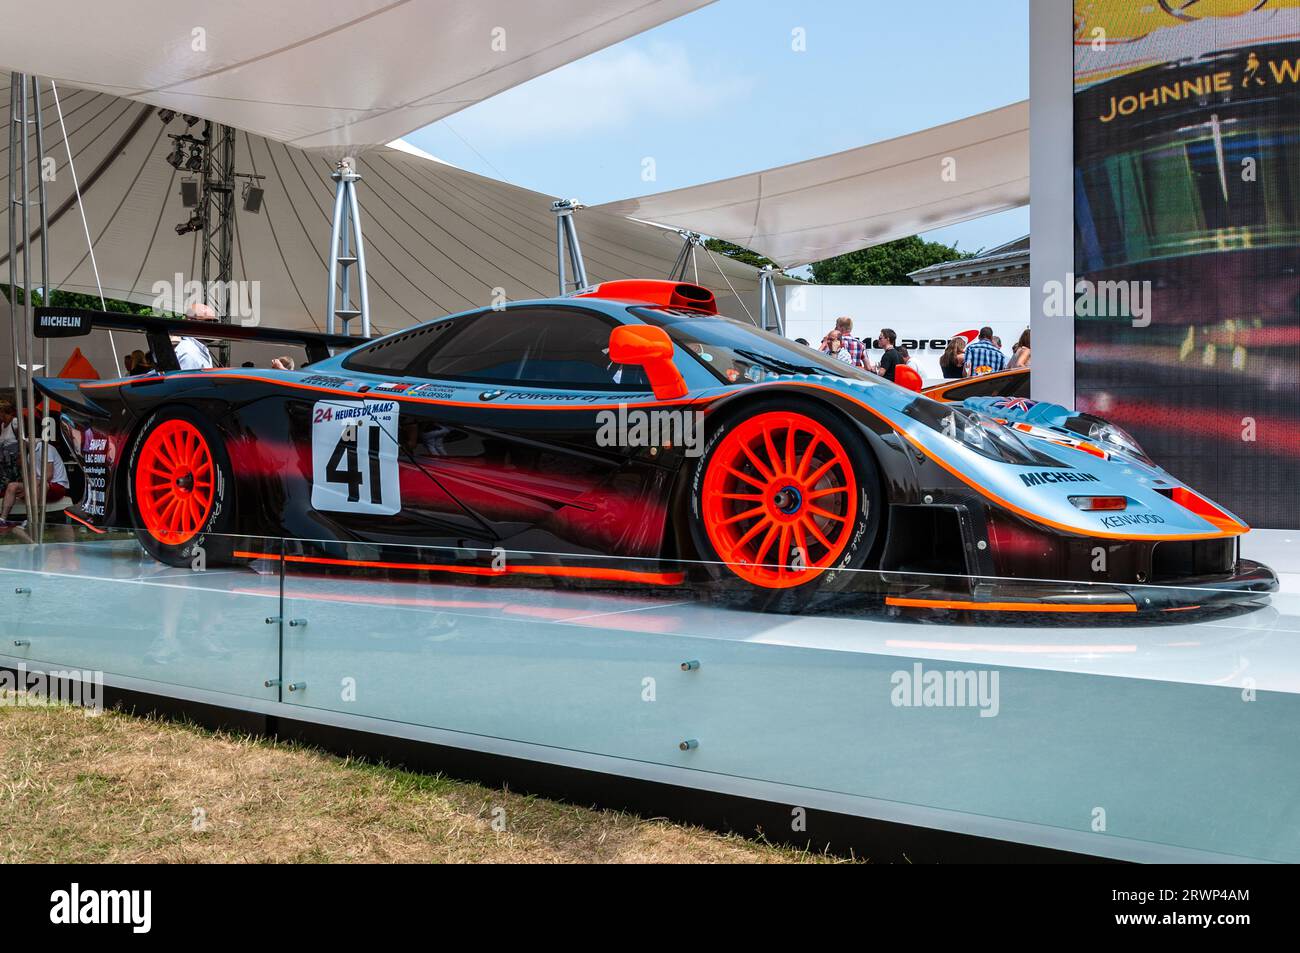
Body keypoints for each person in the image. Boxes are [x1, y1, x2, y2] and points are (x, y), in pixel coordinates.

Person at [0, 436, 69, 526]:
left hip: (57, 485)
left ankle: (32, 519)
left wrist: (28, 488)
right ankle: (2, 519)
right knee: (12, 486)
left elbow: (48, 475)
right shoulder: (29, 455)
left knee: (37, 483)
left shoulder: (46, 448)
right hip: (38, 485)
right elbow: (29, 477)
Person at [174, 302, 217, 370]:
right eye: (208, 321)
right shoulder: (189, 353)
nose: (214, 326)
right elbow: (189, 380)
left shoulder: (198, 348)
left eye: (215, 322)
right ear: (190, 322)